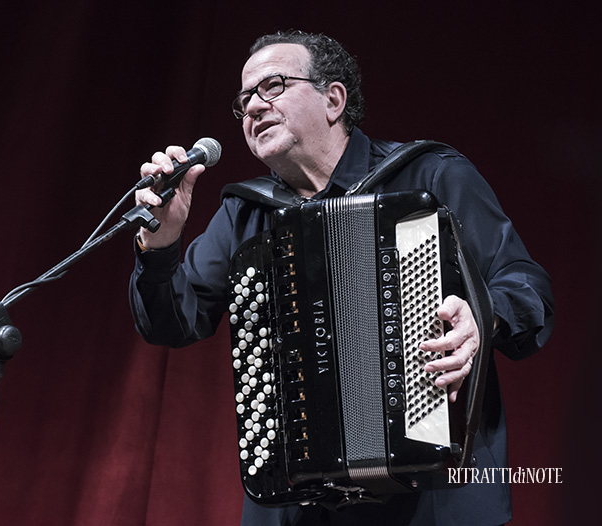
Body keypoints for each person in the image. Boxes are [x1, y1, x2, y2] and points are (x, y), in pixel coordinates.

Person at [129, 30, 554, 526]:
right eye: (244, 100)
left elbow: (526, 287)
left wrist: (482, 319)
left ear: (333, 99)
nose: (253, 108)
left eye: (273, 87)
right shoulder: (244, 213)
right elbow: (171, 323)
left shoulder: (431, 177)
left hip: (433, 501)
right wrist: (160, 246)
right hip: (299, 506)